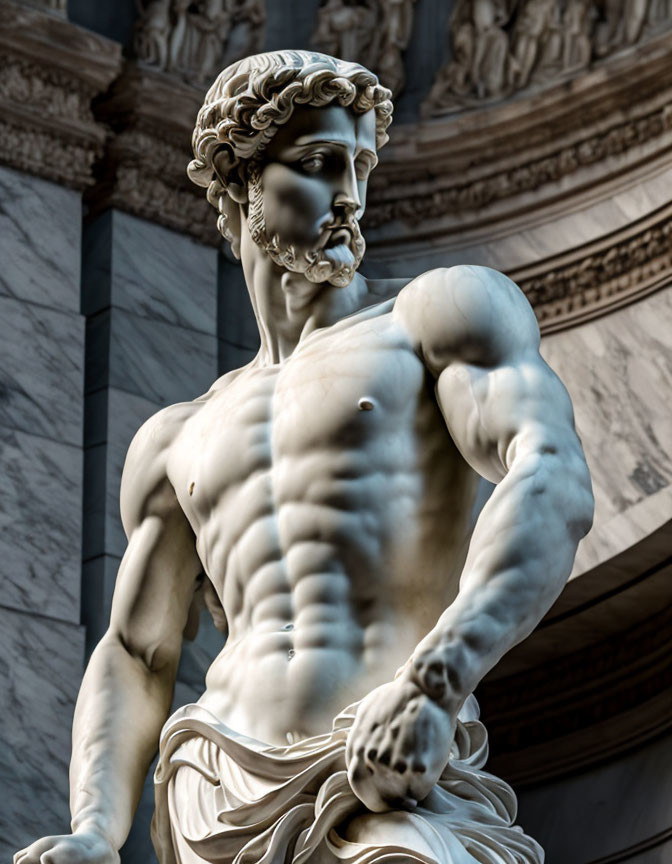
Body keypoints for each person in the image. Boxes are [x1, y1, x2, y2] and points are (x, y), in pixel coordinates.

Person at [15, 50, 593, 864]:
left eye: (361, 165)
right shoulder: (177, 435)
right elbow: (138, 652)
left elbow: (550, 477)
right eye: (322, 165)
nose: (351, 197)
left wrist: (435, 683)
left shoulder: (433, 320)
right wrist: (94, 829)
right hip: (214, 791)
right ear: (240, 182)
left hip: (381, 763)